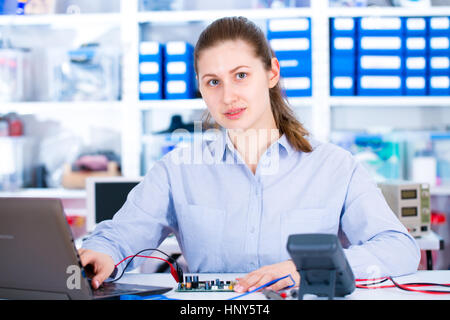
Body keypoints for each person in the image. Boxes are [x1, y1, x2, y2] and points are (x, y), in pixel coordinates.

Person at [79, 16, 420, 293]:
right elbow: (119, 236)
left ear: (271, 73)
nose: (228, 97)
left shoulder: (335, 166)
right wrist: (103, 254)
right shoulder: (177, 169)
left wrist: (310, 270)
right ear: (200, 88)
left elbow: (399, 249)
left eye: (241, 76)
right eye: (213, 82)